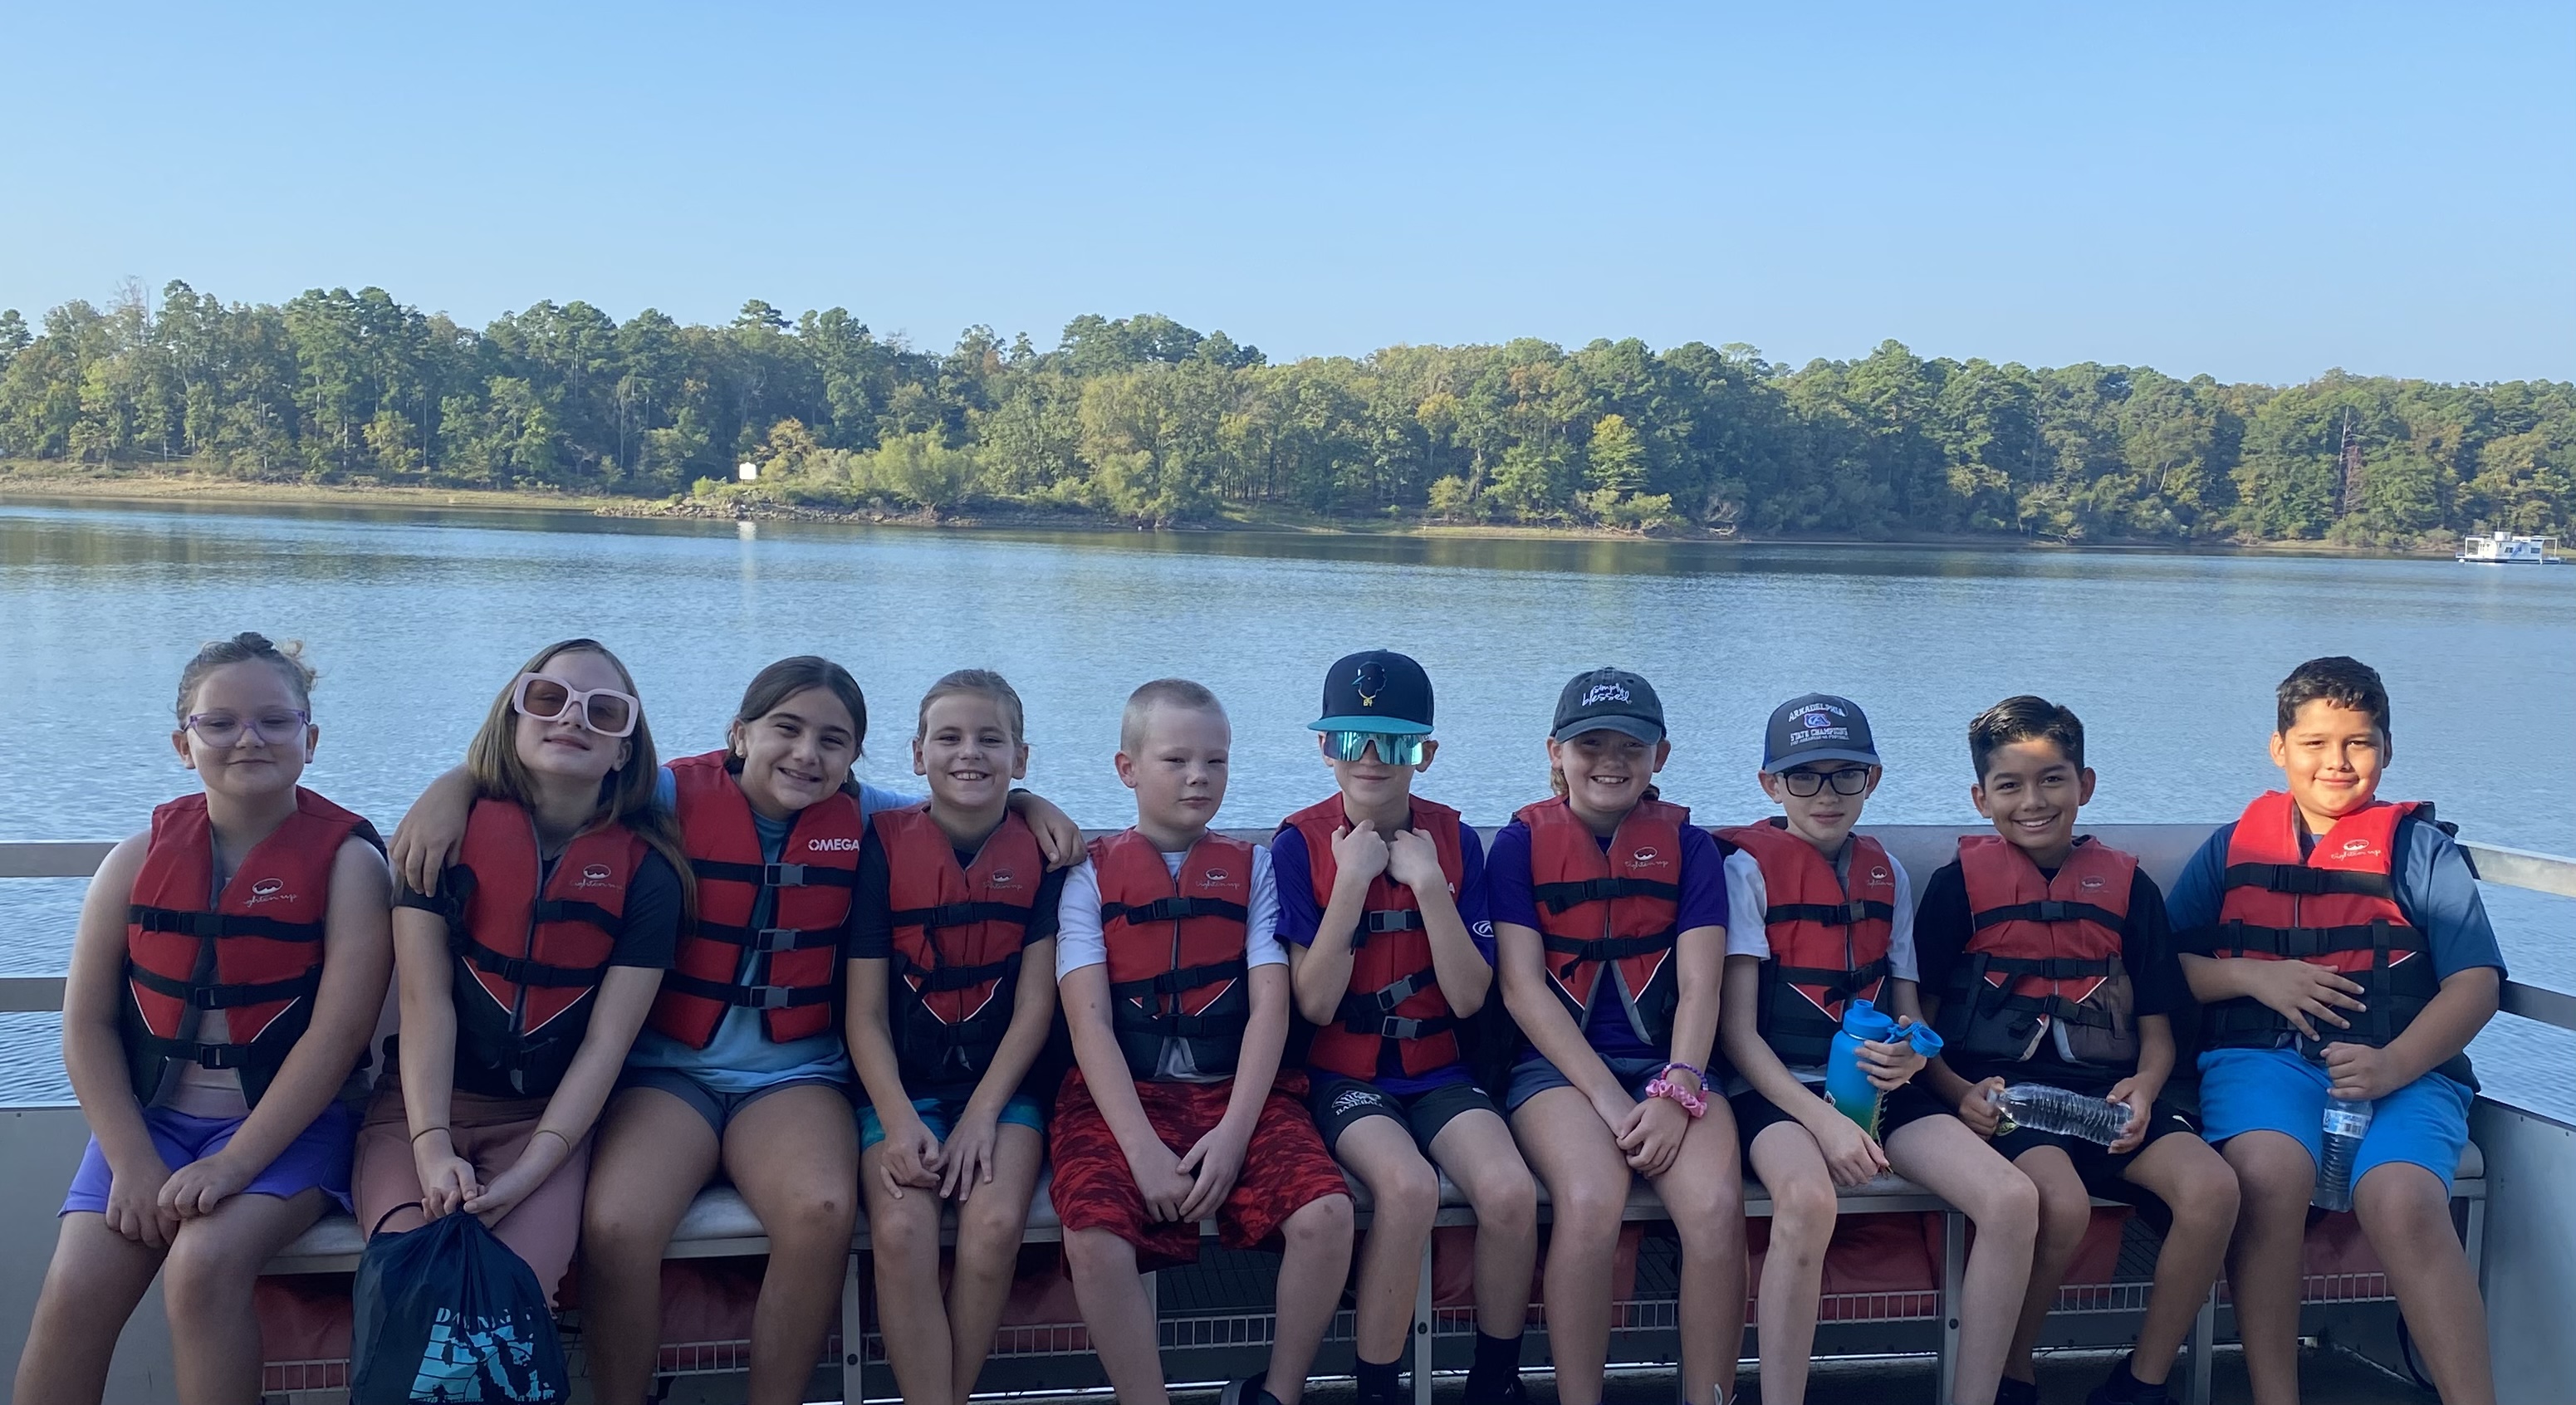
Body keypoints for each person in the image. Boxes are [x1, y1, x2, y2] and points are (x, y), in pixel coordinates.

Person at [389, 655, 1082, 1405]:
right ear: (739, 732)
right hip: (668, 1073)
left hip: (795, 1075)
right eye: (786, 729)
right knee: (617, 1223)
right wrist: (453, 786)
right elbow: (553, 776)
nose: (806, 755)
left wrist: (1033, 803)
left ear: (854, 758)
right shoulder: (664, 793)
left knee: (820, 1211)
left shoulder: (872, 820)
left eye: (833, 740)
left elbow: (960, 795)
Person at [16, 633, 393, 1405]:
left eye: (274, 721)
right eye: (219, 723)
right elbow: (85, 1025)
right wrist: (131, 1162)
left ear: (309, 739)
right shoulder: (134, 859)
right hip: (149, 1125)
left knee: (204, 1266)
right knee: (75, 1286)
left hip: (289, 1129)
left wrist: (234, 1164)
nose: (248, 738)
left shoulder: (352, 866)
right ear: (183, 744)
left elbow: (336, 1038)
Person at [2170, 657, 2499, 1405]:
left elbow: (2476, 984)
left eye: (2358, 743)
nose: (2337, 762)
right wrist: (2252, 976)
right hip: (2264, 1062)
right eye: (2316, 743)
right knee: (2268, 1176)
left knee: (2401, 1200)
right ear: (2279, 748)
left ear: (2387, 749)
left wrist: (2394, 1065)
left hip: (2405, 1071)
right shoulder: (2231, 848)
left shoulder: (2422, 852)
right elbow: (2166, 965)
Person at [1915, 696, 2241, 1405]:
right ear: (1981, 798)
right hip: (2005, 1100)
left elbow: (2159, 1029)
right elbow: (1921, 1027)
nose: (2033, 801)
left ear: (2084, 785)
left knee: (2213, 1191)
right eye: (2011, 785)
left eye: (2052, 779)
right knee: (2059, 1202)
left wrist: (2148, 1089)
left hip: (2110, 1099)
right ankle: (2013, 1374)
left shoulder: (2130, 890)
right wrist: (1956, 1094)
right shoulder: (1954, 890)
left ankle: (2142, 1382)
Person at [1715, 694, 2038, 1405]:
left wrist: (1915, 1059)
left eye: (1845, 776)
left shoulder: (1887, 872)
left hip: (1881, 1085)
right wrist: (1825, 1121)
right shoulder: (1746, 873)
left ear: (1874, 780)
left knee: (2013, 1200)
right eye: (1804, 777)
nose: (1825, 795)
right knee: (1805, 1197)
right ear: (1771, 785)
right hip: (1776, 1091)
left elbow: (1907, 1010)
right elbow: (1736, 1036)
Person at [351, 639, 685, 1310]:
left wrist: (535, 1169)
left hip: (546, 1125)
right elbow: (424, 1004)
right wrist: (430, 1147)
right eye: (548, 698)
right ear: (513, 716)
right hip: (417, 1110)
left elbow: (606, 1045)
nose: (573, 718)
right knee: (417, 1286)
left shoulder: (651, 875)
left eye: (606, 711)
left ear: (625, 748)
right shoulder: (440, 841)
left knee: (508, 1295)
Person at [1050, 678, 1354, 1405]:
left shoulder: (1253, 873)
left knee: (1327, 1214)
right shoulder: (1087, 878)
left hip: (1238, 1093)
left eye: (1215, 762)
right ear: (1128, 769)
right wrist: (1142, 1151)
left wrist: (1233, 1134)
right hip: (1120, 1099)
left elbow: (1269, 1012)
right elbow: (1088, 1023)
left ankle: (1275, 1393)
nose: (1199, 777)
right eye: (1176, 760)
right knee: (1093, 1233)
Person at [1273, 651, 1537, 1405]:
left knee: (1511, 1193)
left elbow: (1468, 996)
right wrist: (1352, 879)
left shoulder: (1457, 845)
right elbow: (1315, 1003)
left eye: (1393, 743)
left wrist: (1428, 885)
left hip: (1440, 1072)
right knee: (1409, 1187)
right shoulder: (1297, 846)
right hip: (1345, 1077)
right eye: (1352, 740)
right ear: (1325, 748)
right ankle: (1379, 1387)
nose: (1371, 760)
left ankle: (1494, 1379)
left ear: (1424, 753)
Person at [1490, 668, 1745, 1405]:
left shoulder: (1692, 850)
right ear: (1555, 753)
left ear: (1659, 756)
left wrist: (1678, 1089)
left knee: (1715, 1210)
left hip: (1673, 1066)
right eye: (1590, 743)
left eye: (1630, 744)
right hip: (1558, 1072)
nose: (1610, 760)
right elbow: (1521, 987)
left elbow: (1701, 985)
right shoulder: (1517, 846)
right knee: (1592, 1198)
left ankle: (1711, 1396)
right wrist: (1606, 1098)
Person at [846, 671, 1065, 1405]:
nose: (969, 754)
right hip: (899, 1090)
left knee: (997, 1220)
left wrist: (982, 1116)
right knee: (904, 1231)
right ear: (917, 755)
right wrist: (901, 1118)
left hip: (1002, 1094)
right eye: (949, 738)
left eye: (989, 740)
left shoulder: (1046, 859)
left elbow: (1035, 1009)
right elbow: (864, 1014)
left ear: (1021, 759)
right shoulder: (879, 848)